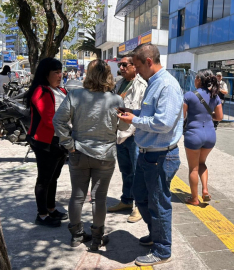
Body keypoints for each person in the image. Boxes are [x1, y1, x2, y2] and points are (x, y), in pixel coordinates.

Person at [117, 44, 183, 266]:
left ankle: (163, 250)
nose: (135, 71)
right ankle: (156, 236)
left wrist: (133, 120)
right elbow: (151, 114)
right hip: (148, 155)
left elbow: (163, 123)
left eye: (136, 66)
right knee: (142, 197)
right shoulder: (152, 83)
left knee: (157, 203)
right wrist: (134, 113)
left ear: (148, 62)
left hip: (160, 156)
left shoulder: (167, 85)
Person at [53, 59, 129, 249]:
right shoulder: (116, 100)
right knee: (99, 198)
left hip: (78, 152)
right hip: (105, 155)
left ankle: (76, 235)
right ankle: (97, 238)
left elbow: (58, 121)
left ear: (88, 74)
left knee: (77, 196)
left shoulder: (75, 95)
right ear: (108, 75)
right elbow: (125, 126)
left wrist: (68, 144)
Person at [24, 58, 68, 227]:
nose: (60, 75)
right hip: (45, 142)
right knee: (44, 179)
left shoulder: (61, 91)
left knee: (54, 177)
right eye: (56, 72)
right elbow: (50, 119)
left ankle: (51, 208)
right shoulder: (41, 91)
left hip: (60, 140)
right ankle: (42, 214)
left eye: (60, 71)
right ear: (46, 74)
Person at [107, 55, 148, 223]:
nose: (121, 67)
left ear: (134, 67)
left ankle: (139, 206)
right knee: (125, 170)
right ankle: (126, 200)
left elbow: (139, 111)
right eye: (120, 65)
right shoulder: (119, 83)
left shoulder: (141, 85)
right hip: (120, 134)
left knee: (138, 172)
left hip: (134, 134)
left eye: (125, 65)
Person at [183, 70, 223, 206]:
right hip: (210, 135)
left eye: (195, 78)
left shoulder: (189, 95)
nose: (194, 80)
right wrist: (208, 115)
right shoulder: (215, 96)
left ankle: (194, 199)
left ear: (199, 80)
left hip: (194, 134)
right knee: (202, 163)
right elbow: (219, 117)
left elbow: (181, 116)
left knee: (193, 168)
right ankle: (205, 190)